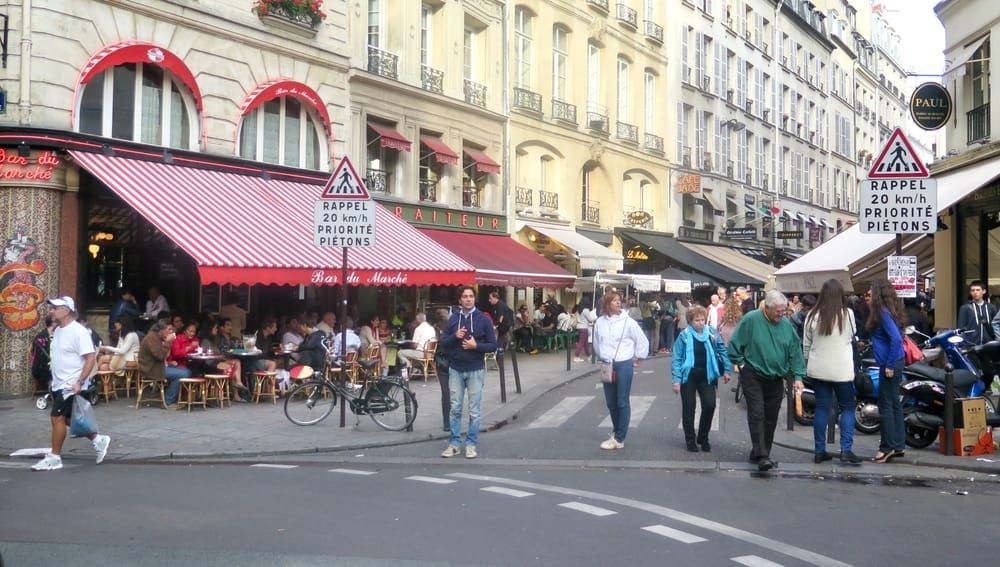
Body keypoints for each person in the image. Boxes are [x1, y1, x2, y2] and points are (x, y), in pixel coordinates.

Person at [727, 290, 806, 471]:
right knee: (757, 413)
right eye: (778, 311)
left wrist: (798, 376)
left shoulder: (786, 324)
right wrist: (740, 362)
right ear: (767, 308)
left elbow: (795, 350)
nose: (782, 314)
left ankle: (761, 452)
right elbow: (734, 343)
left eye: (783, 310)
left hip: (776, 377)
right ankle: (762, 455)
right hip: (753, 373)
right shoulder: (751, 319)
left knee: (771, 416)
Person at [32, 297, 111, 471]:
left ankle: (54, 457)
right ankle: (98, 439)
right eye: (51, 307)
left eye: (55, 307)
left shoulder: (79, 332)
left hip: (72, 385)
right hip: (60, 383)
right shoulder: (58, 330)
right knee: (71, 419)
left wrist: (79, 382)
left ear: (66, 310)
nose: (51, 310)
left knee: (56, 417)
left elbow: (90, 358)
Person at [802, 279, 863, 465]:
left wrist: (808, 362)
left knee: (822, 408)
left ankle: (819, 450)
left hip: (818, 368)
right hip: (842, 370)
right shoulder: (847, 314)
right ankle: (846, 450)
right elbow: (853, 336)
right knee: (847, 408)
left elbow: (806, 344)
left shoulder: (812, 315)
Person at [439, 286, 497, 459]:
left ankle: (471, 444)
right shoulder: (453, 319)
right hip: (456, 369)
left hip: (475, 369)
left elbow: (493, 345)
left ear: (474, 299)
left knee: (474, 410)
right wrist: (454, 336)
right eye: (465, 296)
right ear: (460, 300)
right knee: (455, 408)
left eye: (471, 296)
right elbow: (443, 343)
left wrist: (476, 346)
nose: (468, 299)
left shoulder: (483, 319)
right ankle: (454, 444)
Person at [593, 290, 650, 451]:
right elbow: (597, 343)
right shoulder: (600, 322)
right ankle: (616, 430)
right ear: (606, 304)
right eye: (614, 300)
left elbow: (641, 339)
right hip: (607, 364)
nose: (618, 302)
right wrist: (602, 356)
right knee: (611, 402)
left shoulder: (628, 322)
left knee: (622, 401)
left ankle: (619, 437)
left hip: (624, 364)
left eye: (619, 300)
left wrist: (639, 357)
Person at [671, 305, 730, 452]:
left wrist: (727, 370)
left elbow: (722, 350)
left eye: (702, 319)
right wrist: (676, 380)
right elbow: (677, 358)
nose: (700, 322)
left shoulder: (712, 332)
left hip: (707, 374)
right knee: (689, 408)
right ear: (690, 321)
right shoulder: (684, 335)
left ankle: (703, 437)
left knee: (710, 405)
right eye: (697, 320)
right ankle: (690, 439)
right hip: (688, 375)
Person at [867, 278, 906, 463]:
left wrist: (889, 364)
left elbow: (896, 339)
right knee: (894, 404)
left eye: (870, 292)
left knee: (885, 405)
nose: (868, 295)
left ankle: (887, 447)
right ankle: (898, 445)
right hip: (896, 360)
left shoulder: (882, 312)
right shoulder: (891, 310)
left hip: (890, 363)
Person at [138, 322, 191, 410]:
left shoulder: (157, 337)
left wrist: (167, 342)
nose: (170, 332)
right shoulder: (151, 338)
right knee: (185, 373)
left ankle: (173, 399)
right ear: (161, 330)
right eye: (168, 330)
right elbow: (160, 356)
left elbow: (165, 356)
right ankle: (168, 401)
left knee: (185, 370)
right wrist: (167, 342)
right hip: (152, 369)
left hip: (160, 366)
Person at [956, 280, 996, 346]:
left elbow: (996, 326)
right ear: (970, 292)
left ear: (984, 291)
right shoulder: (965, 308)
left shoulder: (991, 308)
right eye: (973, 290)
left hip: (989, 345)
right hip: (971, 346)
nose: (975, 292)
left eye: (978, 290)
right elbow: (961, 328)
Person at [31, 316, 57, 393]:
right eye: (56, 322)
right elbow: (41, 357)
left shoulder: (55, 335)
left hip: (51, 364)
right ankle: (54, 390)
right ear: (53, 323)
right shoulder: (41, 337)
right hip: (41, 368)